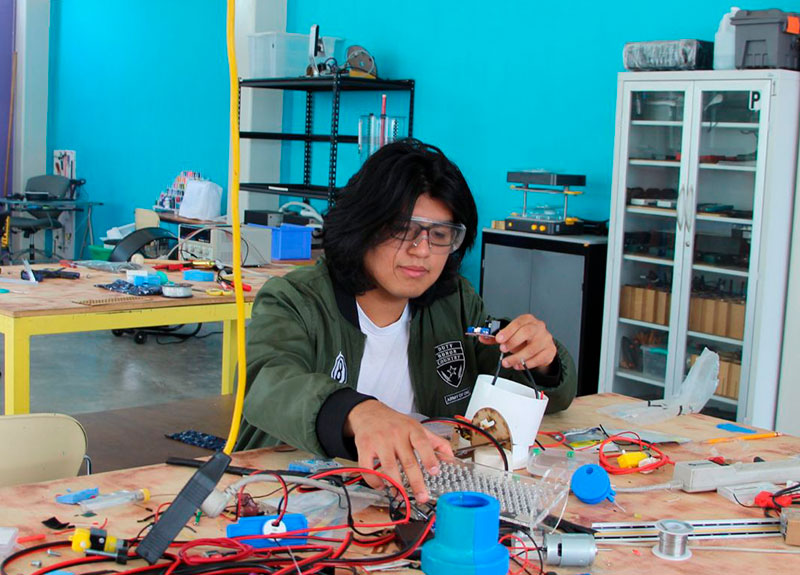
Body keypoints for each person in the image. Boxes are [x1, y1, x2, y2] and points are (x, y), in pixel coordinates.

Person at [237, 139, 577, 502]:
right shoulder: (296, 300)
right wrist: (357, 412)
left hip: (413, 499)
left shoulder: (454, 303)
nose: (423, 251)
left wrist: (543, 361)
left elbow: (530, 393)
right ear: (363, 225)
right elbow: (268, 382)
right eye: (403, 229)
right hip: (289, 502)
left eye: (441, 234)